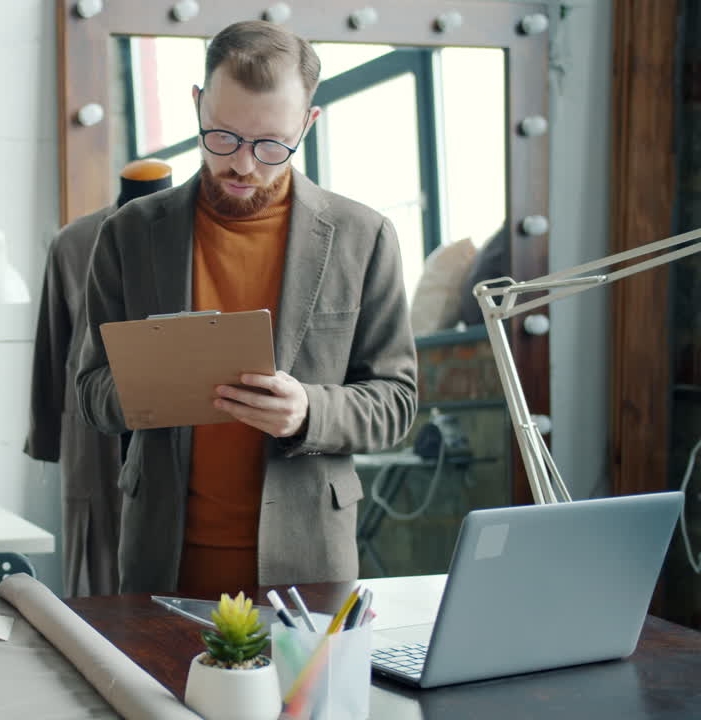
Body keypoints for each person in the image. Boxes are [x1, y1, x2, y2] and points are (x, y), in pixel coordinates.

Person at [75, 21, 418, 595]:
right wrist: (157, 387)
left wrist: (309, 410)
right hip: (163, 558)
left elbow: (397, 402)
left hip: (309, 564)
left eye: (271, 145)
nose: (243, 165)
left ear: (308, 124)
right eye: (224, 137)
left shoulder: (365, 236)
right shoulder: (129, 234)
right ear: (197, 106)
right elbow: (89, 392)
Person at [25, 159, 173, 597]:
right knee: (96, 589)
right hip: (94, 437)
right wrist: (47, 435)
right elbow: (53, 347)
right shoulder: (72, 244)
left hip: (175, 432)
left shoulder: (193, 235)